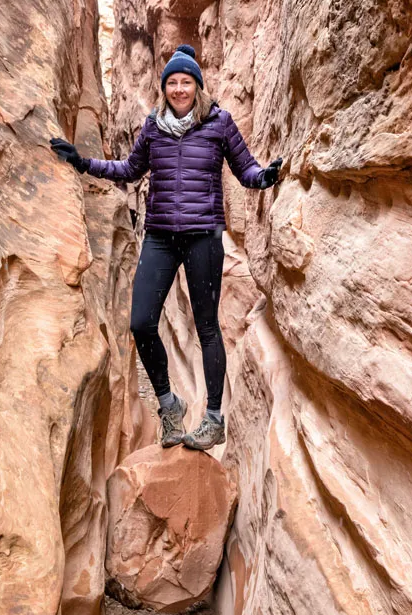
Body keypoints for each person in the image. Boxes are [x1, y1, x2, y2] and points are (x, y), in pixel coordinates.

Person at [50, 45, 282, 451]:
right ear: (164, 88)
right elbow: (129, 169)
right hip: (159, 235)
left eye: (185, 82)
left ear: (197, 85)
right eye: (172, 82)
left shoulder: (219, 122)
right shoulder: (153, 127)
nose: (179, 89)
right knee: (141, 322)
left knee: (208, 327)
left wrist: (264, 177)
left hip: (203, 235)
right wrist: (84, 163)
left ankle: (212, 420)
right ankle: (168, 405)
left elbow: (245, 169)